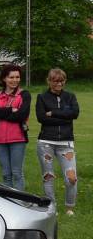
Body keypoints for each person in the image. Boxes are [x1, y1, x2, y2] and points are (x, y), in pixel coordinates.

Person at [35, 67, 79, 215]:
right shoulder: (42, 97)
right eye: (55, 81)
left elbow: (75, 113)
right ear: (49, 81)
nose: (59, 84)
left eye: (61, 81)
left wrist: (53, 113)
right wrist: (65, 117)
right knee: (48, 176)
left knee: (71, 178)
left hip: (66, 143)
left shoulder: (70, 97)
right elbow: (42, 118)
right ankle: (52, 207)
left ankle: (69, 207)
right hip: (45, 142)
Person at [0, 64, 31, 191]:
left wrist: (0, 111)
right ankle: (8, 200)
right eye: (11, 77)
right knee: (6, 174)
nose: (15, 80)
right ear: (4, 78)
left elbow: (21, 115)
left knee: (17, 173)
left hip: (18, 139)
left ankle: (19, 200)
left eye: (17, 77)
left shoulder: (24, 94)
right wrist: (11, 110)